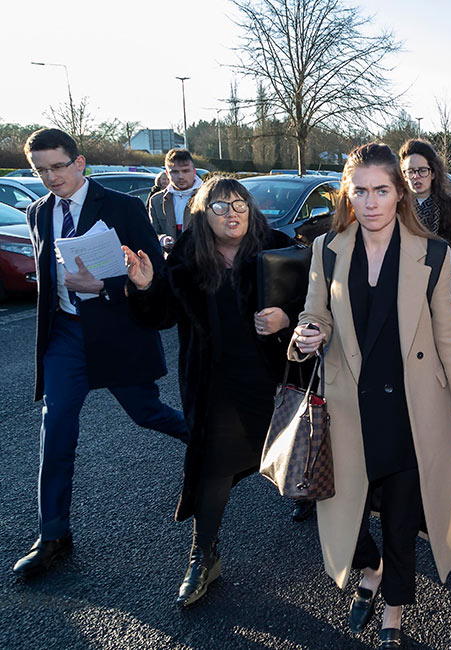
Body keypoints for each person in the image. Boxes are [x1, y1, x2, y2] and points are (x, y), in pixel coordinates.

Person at [290, 142, 451, 649]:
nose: (371, 201)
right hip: (348, 407)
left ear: (399, 192)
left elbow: (449, 338)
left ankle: (395, 609)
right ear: (347, 194)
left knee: (401, 518)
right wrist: (308, 333)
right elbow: (315, 312)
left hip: (409, 408)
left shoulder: (434, 253)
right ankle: (369, 567)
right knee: (346, 509)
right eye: (360, 191)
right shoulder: (327, 248)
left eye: (381, 190)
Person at [13, 128, 188, 579]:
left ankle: (211, 444)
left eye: (58, 167)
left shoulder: (122, 207)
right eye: (41, 170)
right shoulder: (38, 212)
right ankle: (53, 536)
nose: (51, 177)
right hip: (65, 336)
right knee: (56, 429)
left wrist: (104, 286)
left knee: (148, 413)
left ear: (80, 162)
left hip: (117, 333)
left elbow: (155, 275)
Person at [123, 177, 301, 607]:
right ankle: (204, 555)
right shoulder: (187, 257)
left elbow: (318, 302)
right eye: (220, 207)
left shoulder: (278, 246)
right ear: (203, 215)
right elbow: (162, 316)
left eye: (239, 204)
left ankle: (339, 529)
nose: (232, 213)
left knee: (303, 452)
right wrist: (145, 286)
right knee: (214, 466)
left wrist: (287, 317)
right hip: (215, 382)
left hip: (275, 378)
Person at [398, 139, 451, 310]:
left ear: (433, 173)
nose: (416, 176)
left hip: (443, 296)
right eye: (410, 171)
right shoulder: (396, 207)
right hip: (402, 297)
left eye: (422, 170)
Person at [148, 148, 202, 250]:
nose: (181, 176)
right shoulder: (156, 200)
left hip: (203, 258)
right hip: (170, 258)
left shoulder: (209, 196)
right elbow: (153, 233)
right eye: (175, 172)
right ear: (167, 173)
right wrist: (163, 239)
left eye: (185, 171)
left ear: (194, 171)